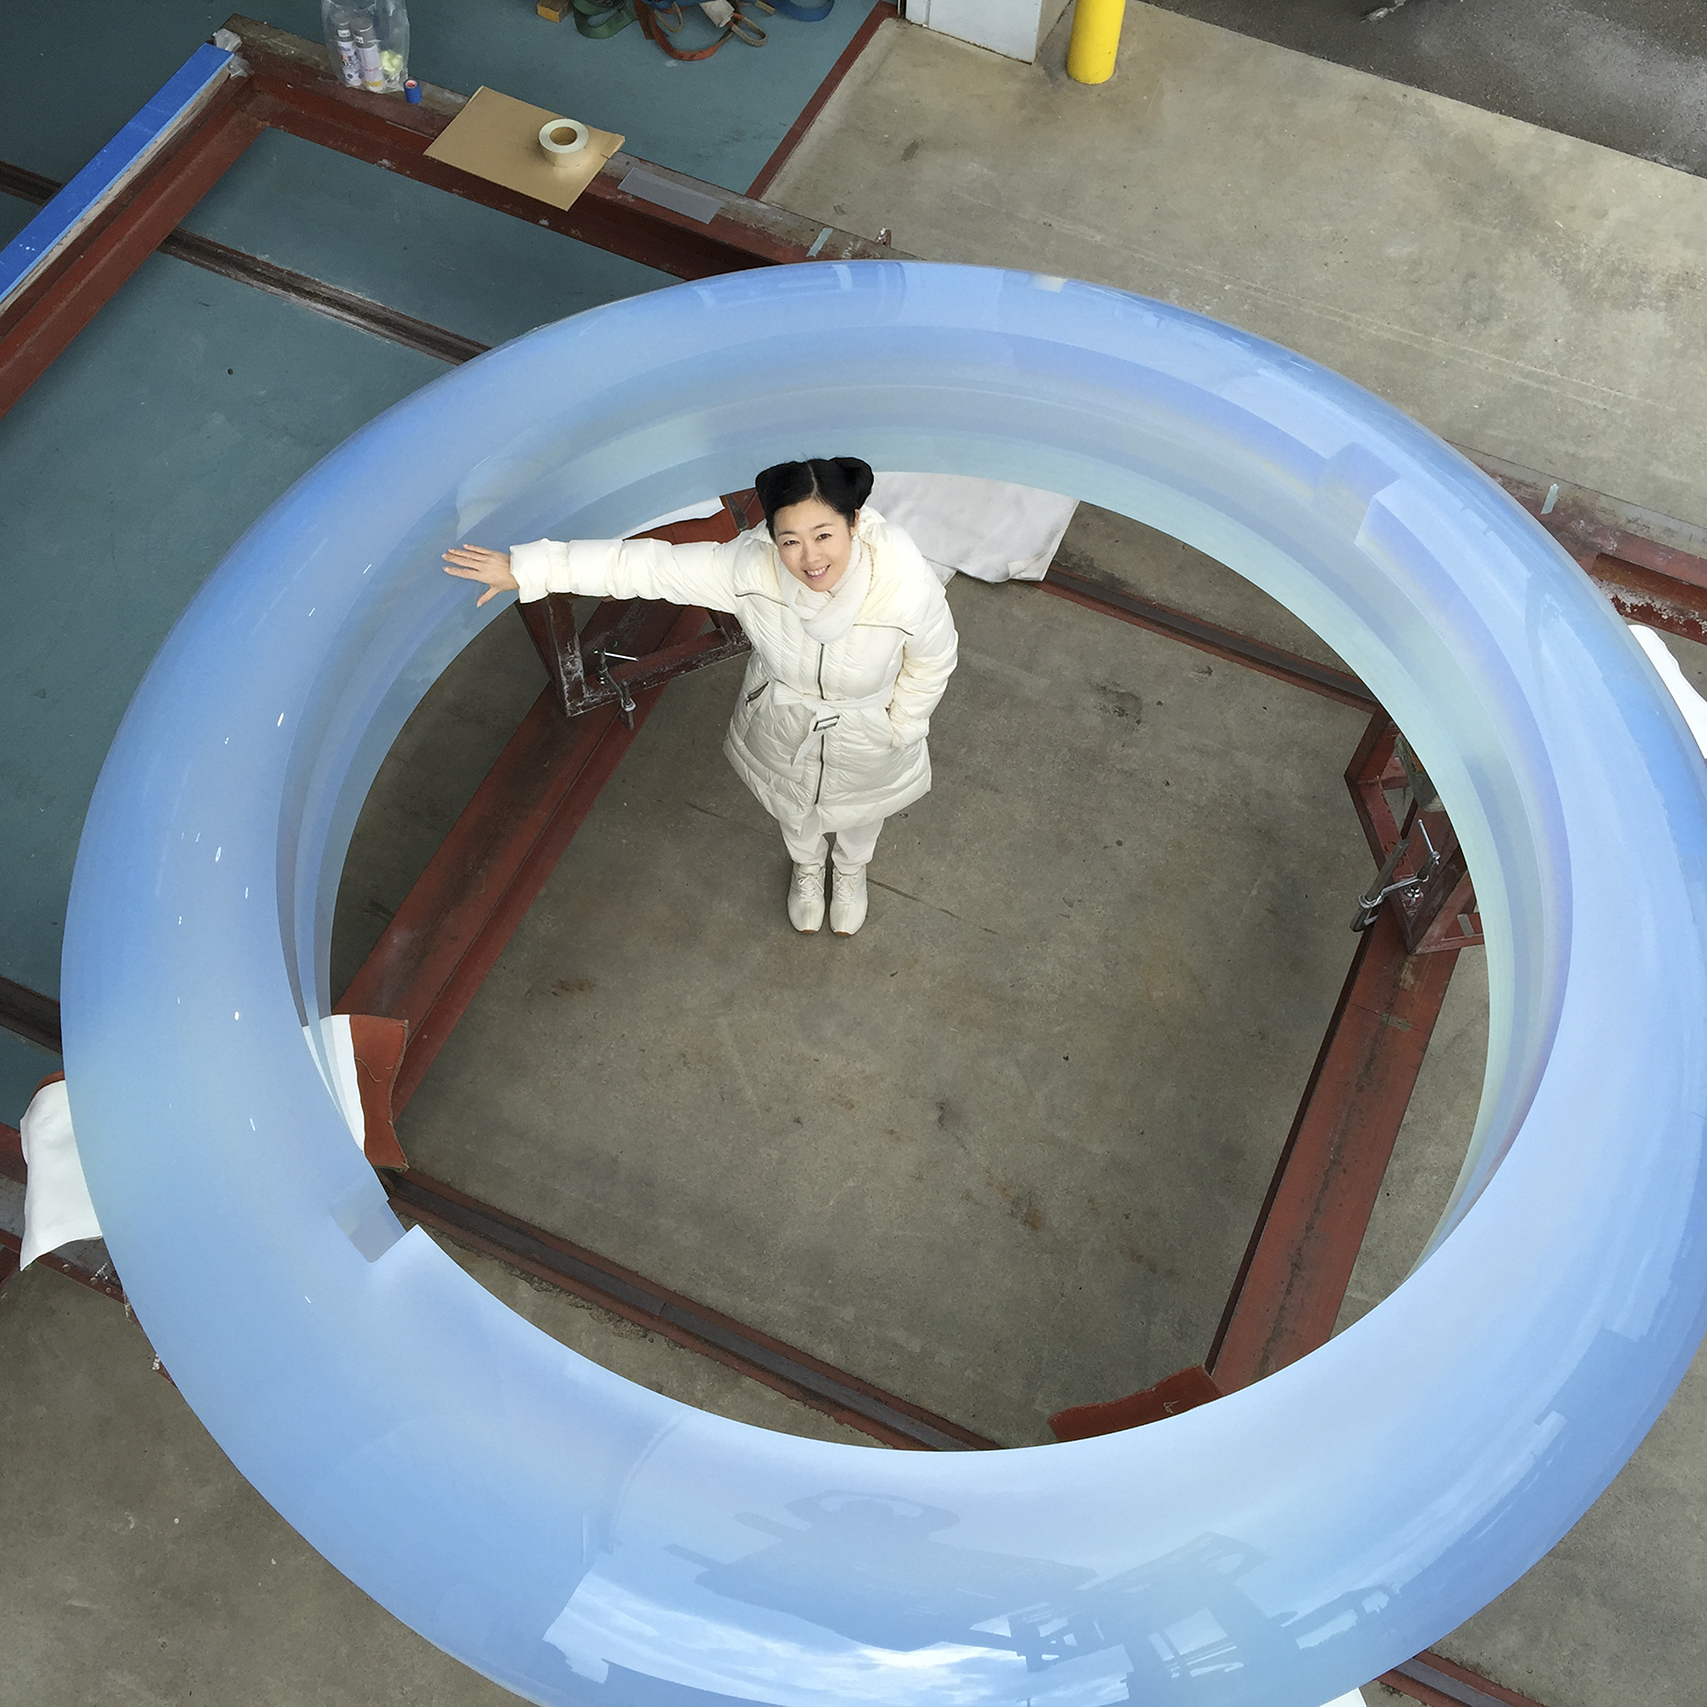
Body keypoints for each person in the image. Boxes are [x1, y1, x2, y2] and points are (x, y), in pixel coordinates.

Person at [442, 457, 959, 937]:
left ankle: (849, 870)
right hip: (784, 714)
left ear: (854, 522)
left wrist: (902, 725)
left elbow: (934, 658)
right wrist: (529, 569)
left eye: (824, 534)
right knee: (791, 803)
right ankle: (806, 865)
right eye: (790, 540)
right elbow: (645, 566)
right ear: (772, 537)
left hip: (868, 724)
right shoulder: (749, 572)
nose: (810, 557)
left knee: (864, 809)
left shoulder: (903, 585)